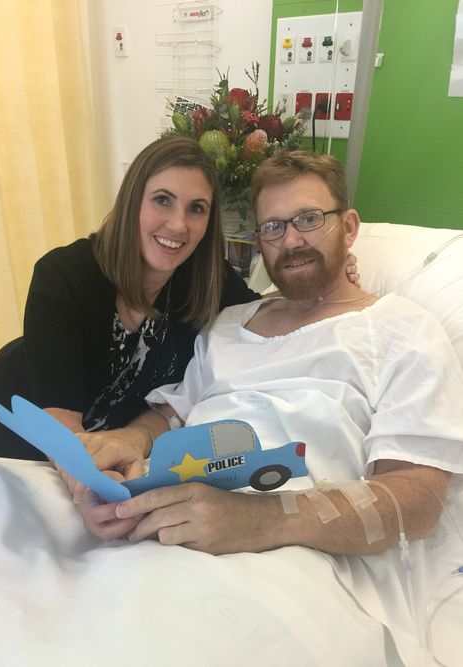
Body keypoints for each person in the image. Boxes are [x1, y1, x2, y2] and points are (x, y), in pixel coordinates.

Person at [73, 149, 463, 557]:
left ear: (348, 228)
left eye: (309, 219)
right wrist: (130, 441)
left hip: (295, 553)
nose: (291, 241)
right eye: (273, 227)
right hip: (163, 522)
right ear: (260, 242)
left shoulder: (403, 330)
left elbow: (418, 502)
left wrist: (259, 519)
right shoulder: (227, 323)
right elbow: (172, 414)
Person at [0, 136, 360, 462]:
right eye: (162, 200)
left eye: (196, 209)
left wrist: (322, 272)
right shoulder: (66, 275)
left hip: (91, 459)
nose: (178, 225)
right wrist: (100, 489)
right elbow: (60, 427)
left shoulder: (205, 283)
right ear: (133, 200)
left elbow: (266, 312)